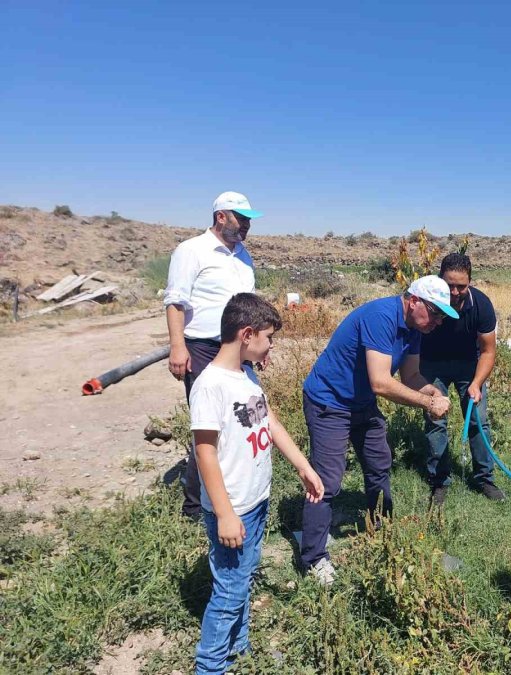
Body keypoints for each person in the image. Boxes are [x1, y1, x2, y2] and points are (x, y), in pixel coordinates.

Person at [191, 293, 323, 674]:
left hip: (255, 499)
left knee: (242, 579)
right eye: (268, 338)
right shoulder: (211, 385)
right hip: (232, 507)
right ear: (247, 334)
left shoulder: (245, 374)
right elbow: (205, 454)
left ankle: (240, 650)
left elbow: (271, 422)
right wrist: (225, 515)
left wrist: (303, 466)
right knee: (229, 591)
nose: (271, 346)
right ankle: (210, 666)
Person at [300, 275, 457, 585]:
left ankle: (379, 527)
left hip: (362, 403)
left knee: (379, 463)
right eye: (436, 313)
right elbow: (381, 383)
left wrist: (433, 392)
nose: (438, 322)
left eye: (442, 316)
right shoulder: (381, 318)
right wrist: (426, 404)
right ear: (414, 301)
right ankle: (313, 558)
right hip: (329, 401)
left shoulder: (415, 328)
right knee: (327, 480)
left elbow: (410, 375)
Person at [164, 191, 262, 519]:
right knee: (210, 426)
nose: (247, 224)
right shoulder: (192, 251)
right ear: (221, 216)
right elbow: (176, 302)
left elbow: (248, 306)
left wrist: (257, 345)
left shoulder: (243, 256)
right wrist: (178, 346)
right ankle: (196, 507)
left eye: (249, 219)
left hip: (239, 347)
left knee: (244, 417)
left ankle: (239, 493)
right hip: (202, 347)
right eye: (241, 218)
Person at [420, 253, 504, 505]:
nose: (455, 292)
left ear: (470, 282)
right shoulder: (428, 301)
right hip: (432, 365)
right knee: (436, 419)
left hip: (469, 366)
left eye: (461, 286)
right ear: (439, 279)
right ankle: (439, 481)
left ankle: (484, 479)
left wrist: (477, 384)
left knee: (478, 420)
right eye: (449, 285)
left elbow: (488, 351)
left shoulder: (481, 305)